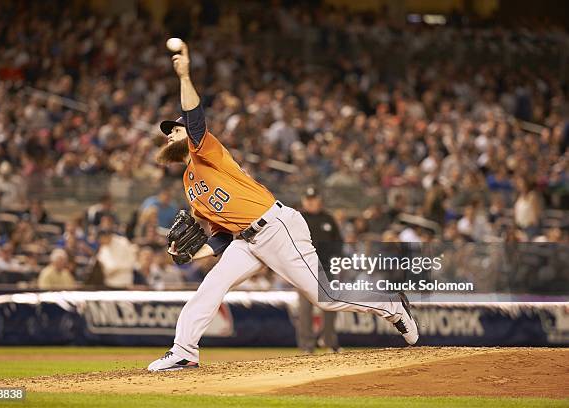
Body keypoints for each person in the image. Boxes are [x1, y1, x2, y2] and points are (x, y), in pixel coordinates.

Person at [147, 41, 418, 372]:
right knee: (211, 287)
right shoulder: (189, 184)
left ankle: (389, 303)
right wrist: (189, 255)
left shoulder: (205, 151)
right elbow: (219, 236)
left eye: (174, 130)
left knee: (326, 299)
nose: (169, 135)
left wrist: (184, 76)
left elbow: (195, 117)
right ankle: (184, 351)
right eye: (168, 132)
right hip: (245, 241)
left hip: (276, 227)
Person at [296, 186, 343, 354]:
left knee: (330, 306)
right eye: (308, 199)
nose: (310, 202)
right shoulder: (298, 218)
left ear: (319, 200)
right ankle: (307, 346)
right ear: (303, 201)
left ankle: (329, 341)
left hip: (327, 269)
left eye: (313, 199)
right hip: (304, 269)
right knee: (305, 309)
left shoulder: (328, 219)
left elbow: (338, 244)